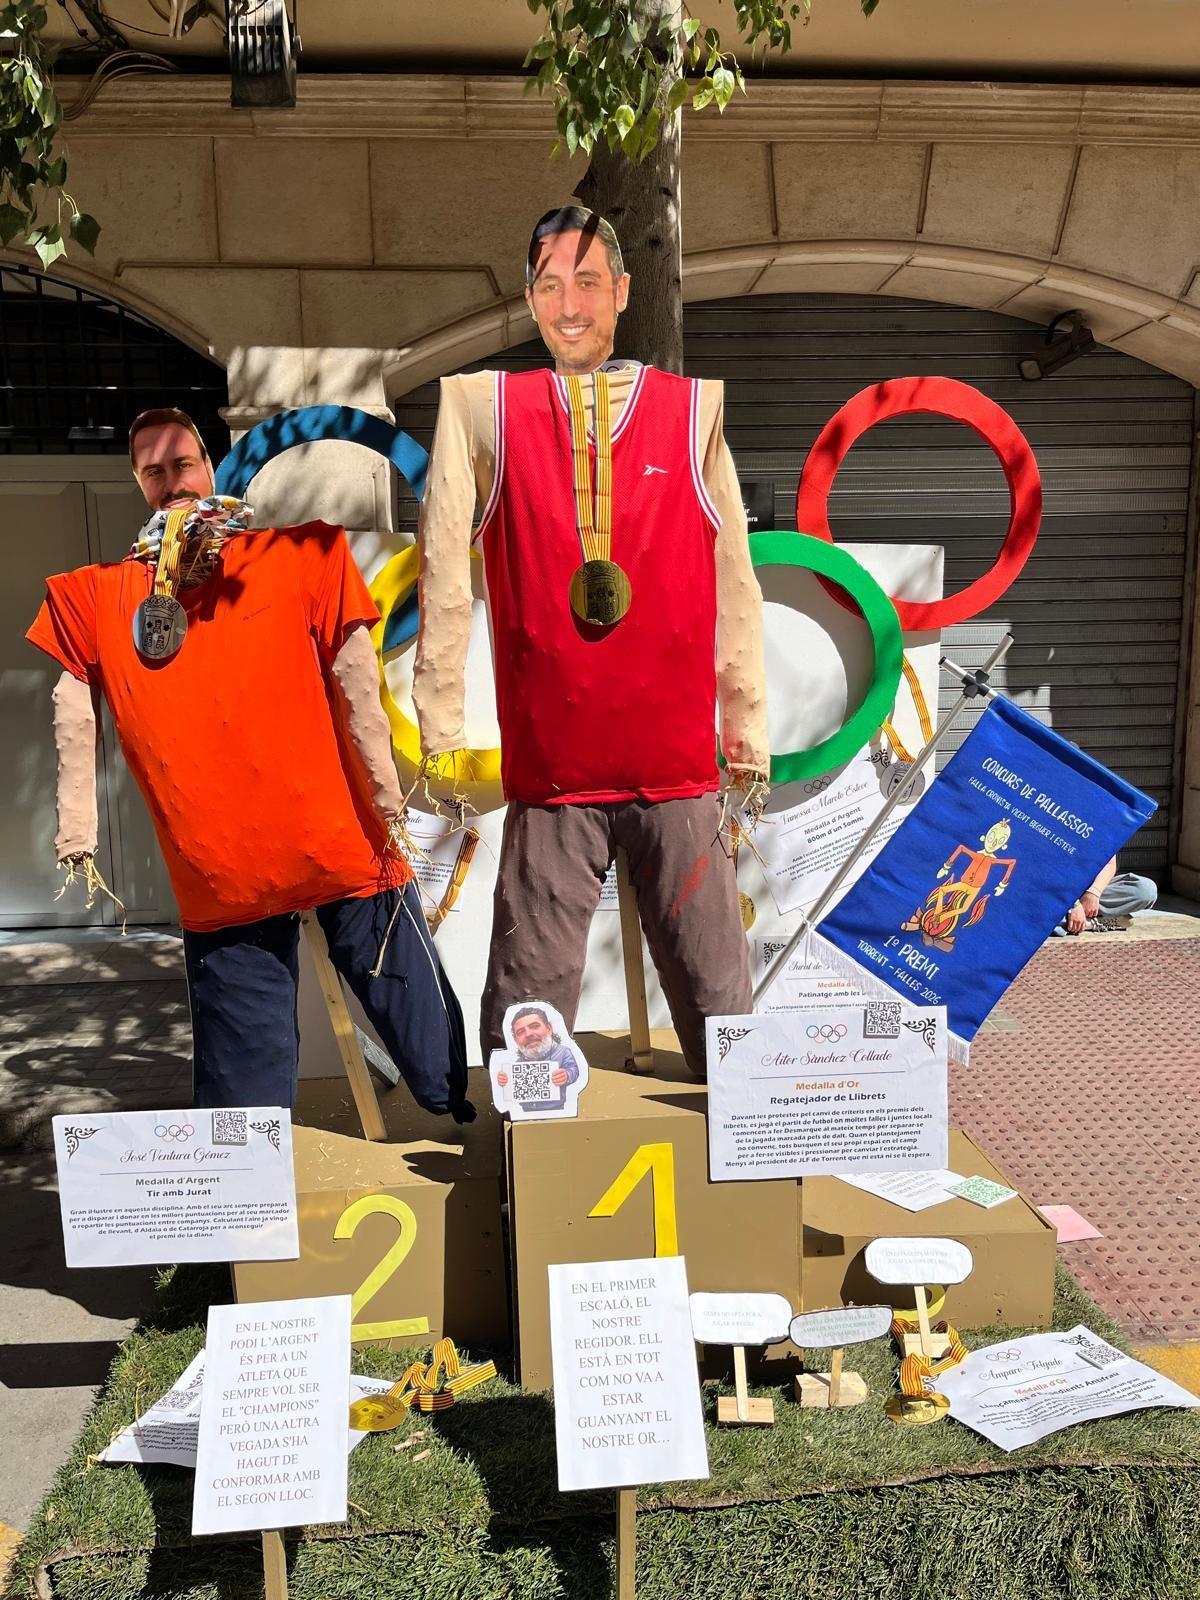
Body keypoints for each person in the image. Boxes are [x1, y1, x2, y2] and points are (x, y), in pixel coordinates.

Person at [27, 407, 473, 1120]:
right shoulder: (99, 596)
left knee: (410, 1005)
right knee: (244, 1067)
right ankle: (246, 1188)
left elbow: (357, 678)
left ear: (208, 465)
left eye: (179, 464)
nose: (168, 480)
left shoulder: (302, 556)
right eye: (151, 470)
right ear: (138, 484)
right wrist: (77, 832)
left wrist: (388, 797)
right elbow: (71, 711)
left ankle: (458, 1114)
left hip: (339, 837)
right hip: (220, 864)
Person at [413, 205, 770, 1078]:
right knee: (528, 1014)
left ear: (621, 289)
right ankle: (521, 1173)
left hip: (677, 772)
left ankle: (758, 1166)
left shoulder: (693, 412)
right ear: (528, 298)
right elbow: (444, 579)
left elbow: (735, 585)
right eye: (547, 285)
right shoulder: (480, 407)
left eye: (585, 282)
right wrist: (442, 731)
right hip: (554, 775)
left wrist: (745, 733)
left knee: (720, 998)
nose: (568, 305)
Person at [494, 1004, 581, 1112]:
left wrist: (567, 1075)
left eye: (534, 1026)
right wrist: (505, 1080)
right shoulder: (518, 1063)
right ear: (516, 1040)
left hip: (555, 1109)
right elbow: (512, 1085)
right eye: (520, 1032)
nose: (528, 1034)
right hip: (526, 1110)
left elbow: (574, 1070)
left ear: (549, 1028)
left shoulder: (563, 1052)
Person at [1053, 855, 1157, 935]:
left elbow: (1110, 864)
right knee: (1040, 914)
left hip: (1088, 892)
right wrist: (1073, 904)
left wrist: (1094, 892)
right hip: (1054, 893)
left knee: (1146, 889)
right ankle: (1090, 923)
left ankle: (1070, 922)